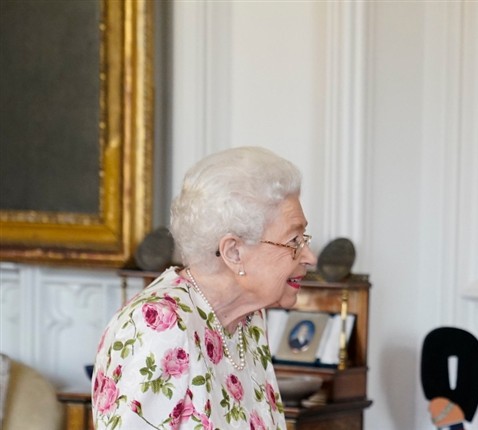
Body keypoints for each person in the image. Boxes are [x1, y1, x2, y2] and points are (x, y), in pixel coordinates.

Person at [91, 146, 317, 429]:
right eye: (294, 241)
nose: (310, 257)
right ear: (234, 252)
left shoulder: (248, 320)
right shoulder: (158, 327)